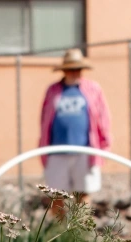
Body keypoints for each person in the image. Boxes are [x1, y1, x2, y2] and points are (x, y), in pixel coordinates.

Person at [38, 49, 111, 207]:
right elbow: (44, 118)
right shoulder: (53, 90)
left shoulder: (93, 89)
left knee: (83, 194)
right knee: (57, 196)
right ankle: (60, 230)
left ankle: (79, 230)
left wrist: (104, 143)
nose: (74, 72)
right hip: (57, 151)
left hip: (85, 151)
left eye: (77, 69)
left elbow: (103, 117)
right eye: (71, 69)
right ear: (64, 70)